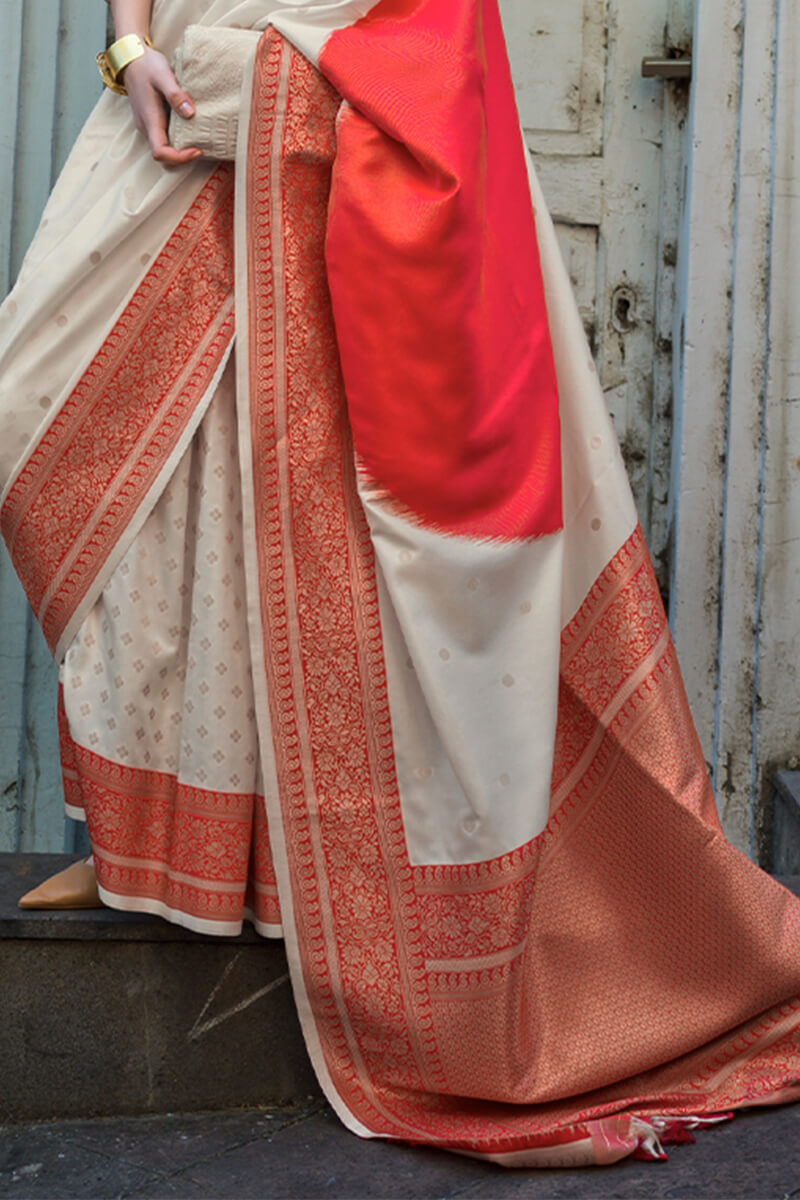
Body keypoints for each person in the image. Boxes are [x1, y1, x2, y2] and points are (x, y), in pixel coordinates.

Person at [1, 0, 800, 1169]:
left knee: (259, 519)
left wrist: (278, 76)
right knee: (54, 448)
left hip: (326, 136)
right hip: (164, 110)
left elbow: (434, 34)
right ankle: (140, 851)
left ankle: (265, 883)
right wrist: (131, 54)